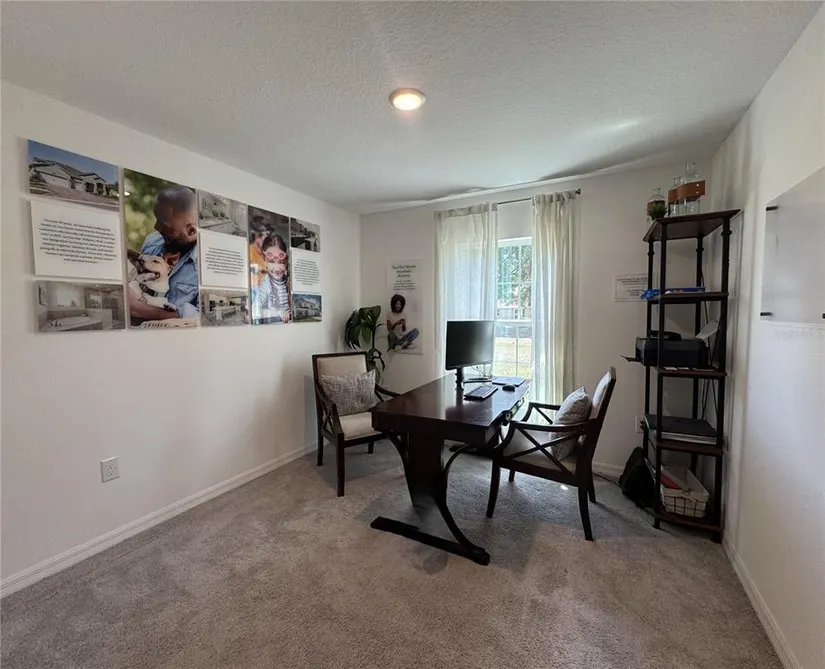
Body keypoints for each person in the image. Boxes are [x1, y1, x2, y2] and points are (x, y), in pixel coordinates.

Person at [128, 185, 199, 323]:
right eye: (157, 220)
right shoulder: (152, 241)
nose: (156, 227)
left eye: (165, 226)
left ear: (190, 230)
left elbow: (204, 318)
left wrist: (140, 309)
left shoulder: (208, 265)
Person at [256, 234, 291, 323]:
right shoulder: (266, 284)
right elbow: (255, 310)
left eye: (281, 262)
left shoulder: (288, 281)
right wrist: (279, 313)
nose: (277, 268)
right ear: (264, 259)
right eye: (271, 262)